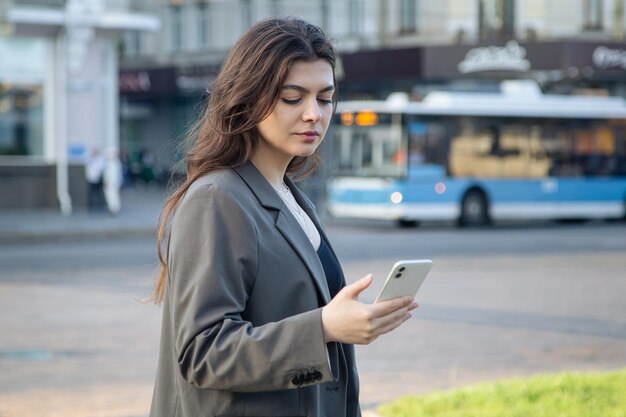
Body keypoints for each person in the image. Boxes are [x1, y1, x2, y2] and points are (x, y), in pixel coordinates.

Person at [148, 17, 418, 417]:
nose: (314, 114)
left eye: (325, 98)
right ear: (248, 98)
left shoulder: (291, 197)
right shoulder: (216, 198)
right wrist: (324, 327)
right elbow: (201, 351)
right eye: (293, 98)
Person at [103, 147, 123, 215]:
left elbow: (114, 175)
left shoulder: (115, 163)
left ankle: (114, 209)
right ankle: (112, 208)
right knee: (111, 196)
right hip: (111, 183)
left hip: (112, 183)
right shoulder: (110, 162)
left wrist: (110, 182)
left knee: (113, 196)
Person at [85, 146, 105, 211]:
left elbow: (101, 168)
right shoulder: (90, 158)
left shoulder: (100, 159)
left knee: (97, 192)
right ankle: (91, 205)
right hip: (91, 178)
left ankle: (98, 205)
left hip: (98, 178)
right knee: (91, 193)